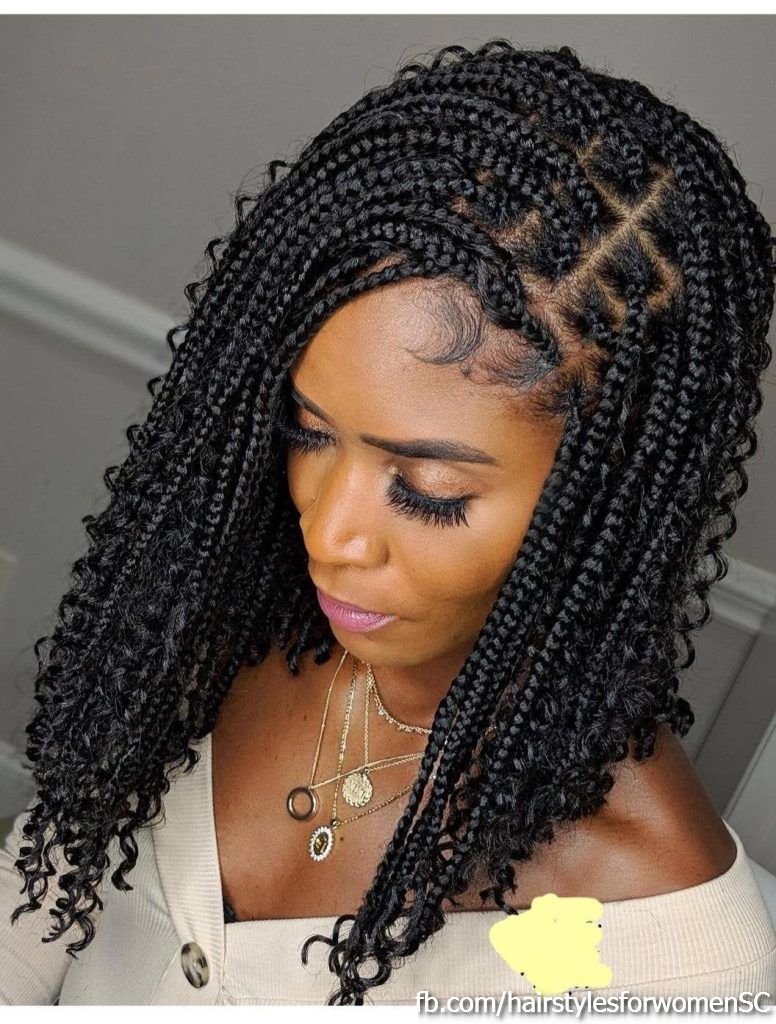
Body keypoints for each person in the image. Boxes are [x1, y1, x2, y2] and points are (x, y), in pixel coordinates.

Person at [1, 38, 775, 1006]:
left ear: (604, 504)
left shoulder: (675, 958)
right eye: (307, 431)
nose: (330, 535)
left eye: (427, 490)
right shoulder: (228, 616)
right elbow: (37, 898)